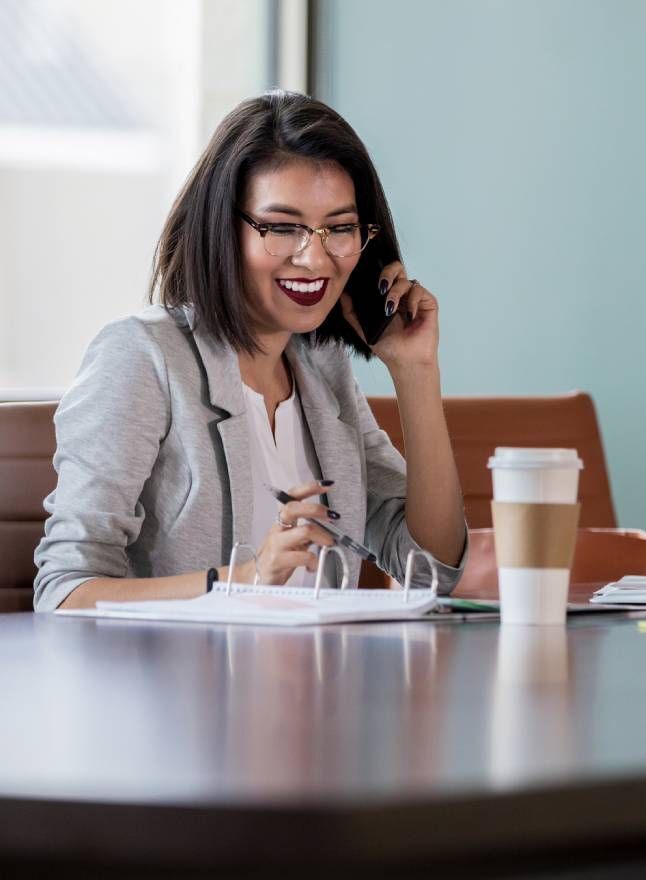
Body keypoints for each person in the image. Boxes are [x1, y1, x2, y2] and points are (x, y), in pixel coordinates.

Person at [34, 90, 467, 612]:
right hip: (183, 690)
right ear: (223, 227)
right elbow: (64, 594)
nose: (314, 257)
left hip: (323, 688)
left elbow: (433, 566)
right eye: (283, 228)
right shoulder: (142, 359)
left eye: (340, 228)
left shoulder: (319, 368)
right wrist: (248, 578)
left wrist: (416, 371)